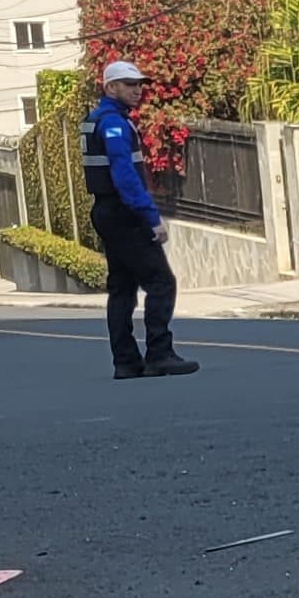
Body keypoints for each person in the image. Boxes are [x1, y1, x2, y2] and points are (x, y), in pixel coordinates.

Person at [81, 59, 195, 378]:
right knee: (161, 281)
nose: (137, 89)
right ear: (110, 87)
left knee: (122, 287)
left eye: (139, 84)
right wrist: (150, 217)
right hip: (123, 213)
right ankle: (159, 353)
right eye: (130, 84)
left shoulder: (100, 119)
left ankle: (126, 360)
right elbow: (124, 175)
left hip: (107, 211)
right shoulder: (113, 124)